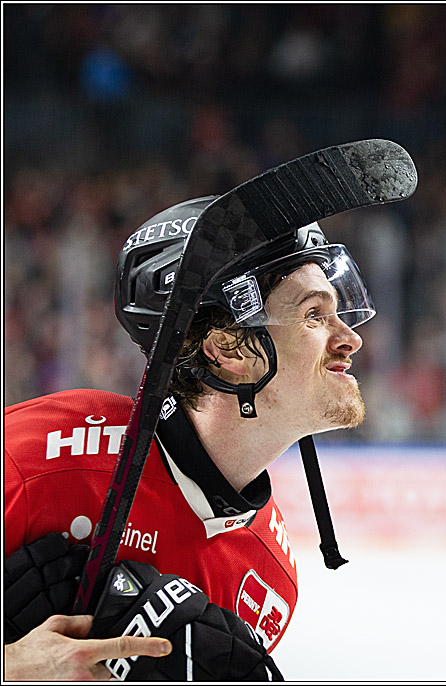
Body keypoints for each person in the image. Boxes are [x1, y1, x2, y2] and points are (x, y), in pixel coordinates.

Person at [4, 194, 381, 680]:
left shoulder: (268, 577)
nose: (351, 337)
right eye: (314, 315)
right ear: (228, 348)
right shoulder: (43, 455)